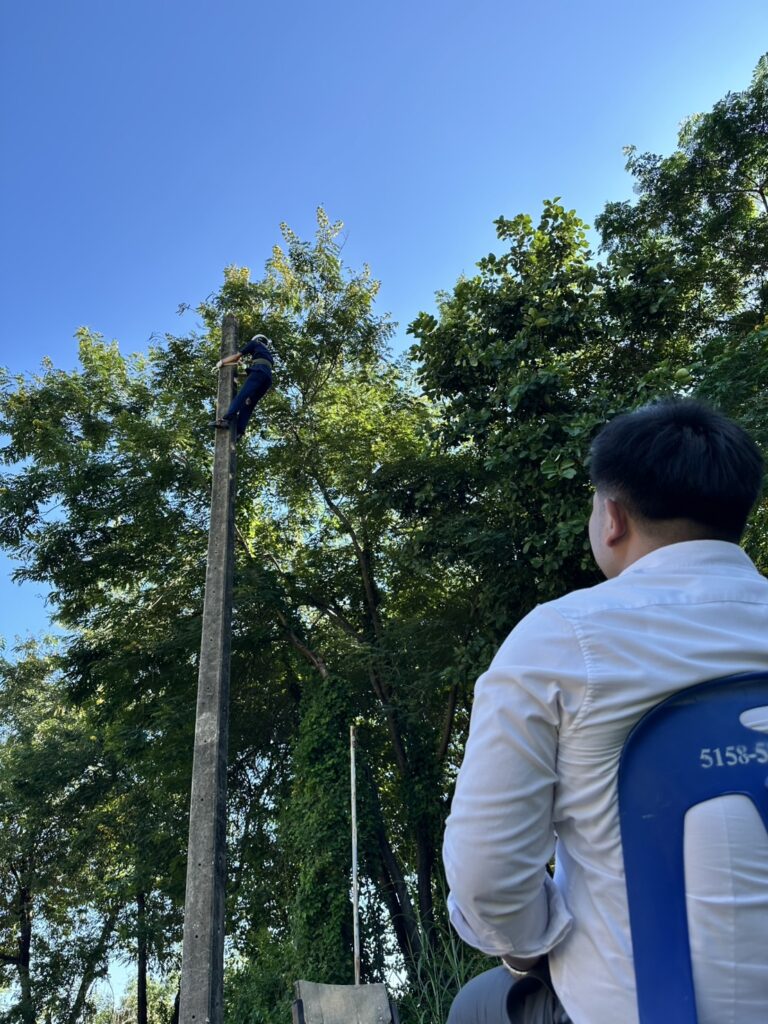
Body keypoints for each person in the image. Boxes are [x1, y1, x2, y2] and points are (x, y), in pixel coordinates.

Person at [443, 399, 768, 1024]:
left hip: (637, 1011)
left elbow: (488, 881)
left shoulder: (559, 640)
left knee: (476, 1005)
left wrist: (528, 949)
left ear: (612, 518)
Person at [210, 333, 274, 438]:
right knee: (249, 404)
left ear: (257, 340)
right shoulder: (267, 355)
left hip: (258, 373)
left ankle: (226, 420)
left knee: (242, 396)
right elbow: (254, 371)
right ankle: (239, 432)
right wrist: (242, 364)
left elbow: (236, 356)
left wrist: (222, 361)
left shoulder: (254, 343)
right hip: (267, 379)